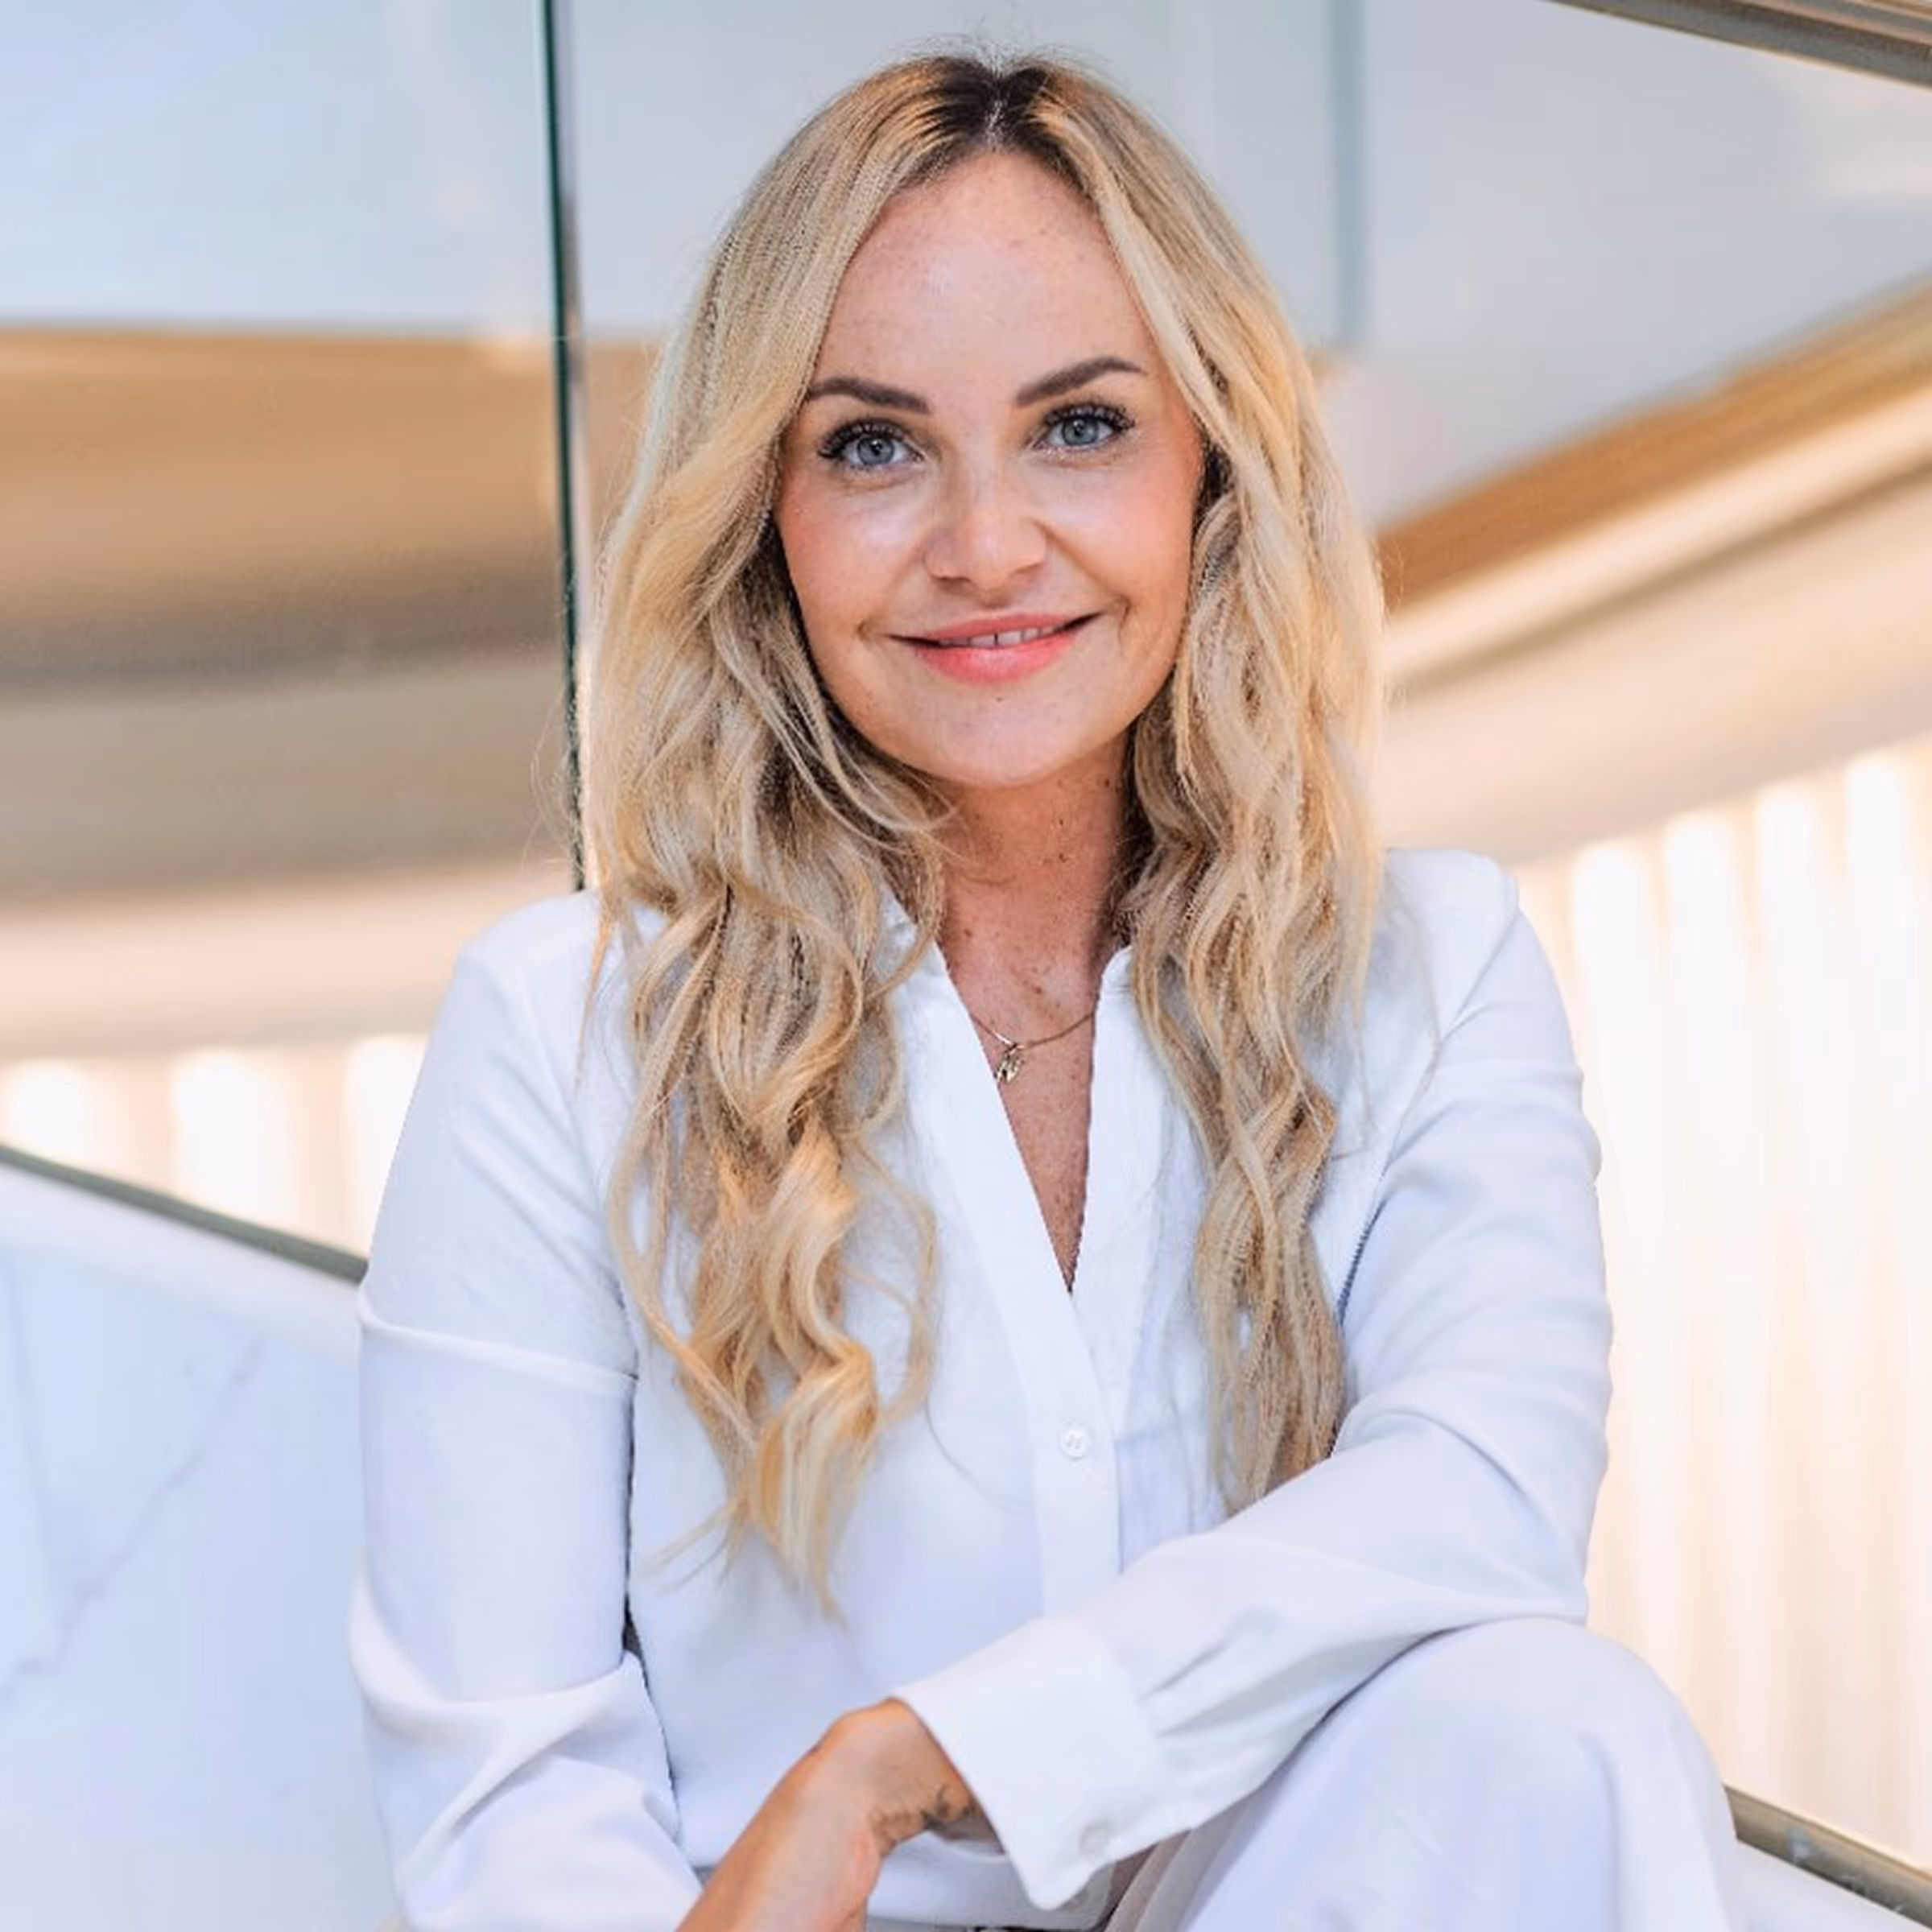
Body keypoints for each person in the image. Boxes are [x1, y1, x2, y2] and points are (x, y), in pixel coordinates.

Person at [348, 46, 1748, 1932]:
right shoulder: (566, 1033)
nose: (986, 545)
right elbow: (506, 1793)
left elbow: (1480, 1496)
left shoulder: (1425, 971)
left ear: (1212, 467)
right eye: (874, 446)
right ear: (763, 511)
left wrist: (914, 1761)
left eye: (1079, 426)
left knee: (1561, 1731)